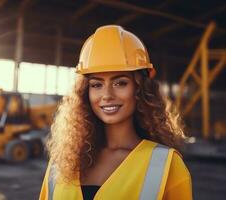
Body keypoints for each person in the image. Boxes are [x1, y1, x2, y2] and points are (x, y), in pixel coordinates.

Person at [39, 25, 192, 200]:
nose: (107, 95)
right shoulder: (61, 163)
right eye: (97, 85)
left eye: (120, 83)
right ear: (85, 93)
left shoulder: (167, 166)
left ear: (140, 88)